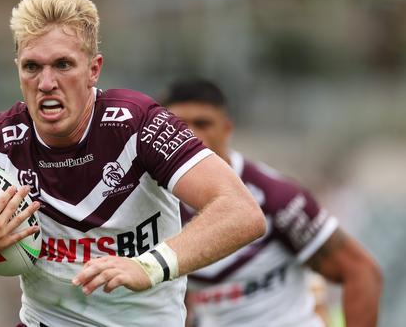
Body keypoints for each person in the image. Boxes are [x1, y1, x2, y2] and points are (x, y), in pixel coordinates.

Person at [0, 0, 266, 327]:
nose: (46, 82)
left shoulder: (139, 124)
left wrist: (149, 266)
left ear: (94, 69)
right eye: (32, 67)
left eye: (63, 65)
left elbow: (241, 211)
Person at [163, 78, 382, 327]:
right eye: (180, 125)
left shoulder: (276, 197)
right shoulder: (159, 201)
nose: (191, 134)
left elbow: (361, 272)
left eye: (203, 123)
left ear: (227, 129)